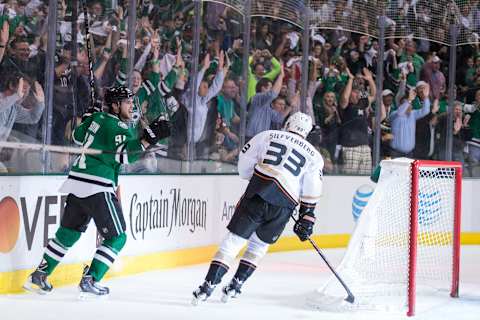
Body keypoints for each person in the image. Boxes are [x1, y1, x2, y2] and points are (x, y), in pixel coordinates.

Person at [23, 86, 170, 297]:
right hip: (98, 185)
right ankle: (91, 279)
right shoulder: (119, 126)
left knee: (67, 234)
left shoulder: (97, 119)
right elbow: (124, 157)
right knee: (117, 237)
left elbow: (76, 136)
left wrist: (88, 117)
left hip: (76, 182)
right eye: (127, 101)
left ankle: (39, 275)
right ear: (115, 105)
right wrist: (148, 139)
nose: (131, 105)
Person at [192, 112, 323, 304]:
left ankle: (208, 285)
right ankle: (236, 285)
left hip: (258, 194)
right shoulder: (314, 155)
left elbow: (245, 161)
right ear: (308, 131)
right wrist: (307, 215)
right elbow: (312, 189)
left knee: (234, 241)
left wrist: (252, 177)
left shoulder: (267, 135)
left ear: (288, 123)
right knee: (259, 245)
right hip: (283, 205)